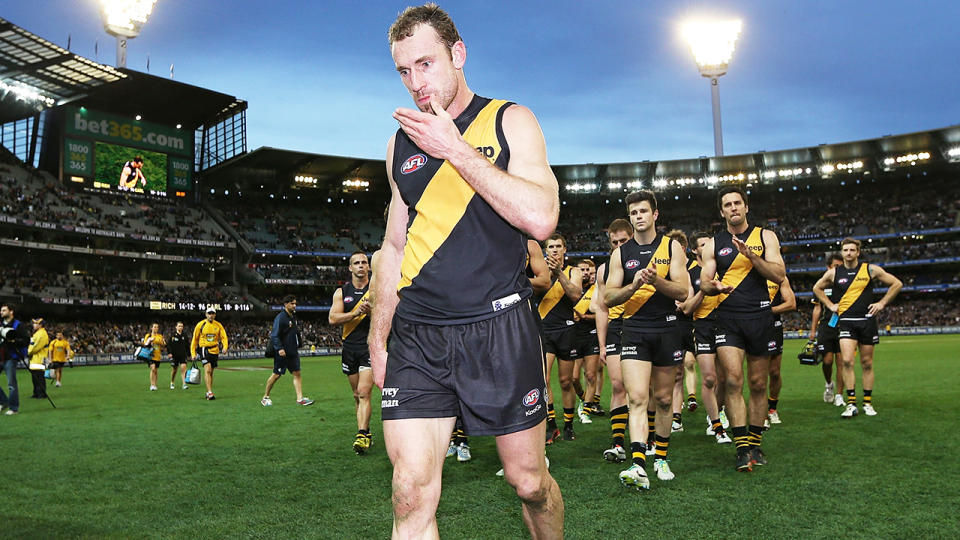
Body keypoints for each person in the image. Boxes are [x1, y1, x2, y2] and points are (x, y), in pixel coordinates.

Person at [369, 5, 563, 537]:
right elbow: (392, 244)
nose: (416, 83)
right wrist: (378, 338)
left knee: (529, 483)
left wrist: (455, 149)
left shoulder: (509, 120)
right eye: (404, 71)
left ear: (458, 54)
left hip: (499, 327)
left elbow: (541, 219)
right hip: (420, 333)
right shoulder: (399, 144)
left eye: (426, 65)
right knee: (410, 491)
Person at [604, 190, 690, 489]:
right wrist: (634, 285)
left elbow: (683, 292)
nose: (638, 216)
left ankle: (661, 457)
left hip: (667, 329)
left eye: (643, 211)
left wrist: (657, 281)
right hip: (634, 330)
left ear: (655, 215)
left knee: (664, 400)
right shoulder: (620, 254)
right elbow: (608, 296)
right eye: (633, 213)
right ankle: (638, 463)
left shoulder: (672, 248)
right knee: (637, 398)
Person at [699, 186, 785, 472]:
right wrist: (714, 286)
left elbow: (779, 274)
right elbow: (704, 282)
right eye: (727, 204)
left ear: (746, 207)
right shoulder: (714, 244)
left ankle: (756, 443)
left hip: (760, 317)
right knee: (733, 380)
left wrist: (752, 257)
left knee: (758, 383)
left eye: (738, 203)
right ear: (721, 211)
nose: (733, 208)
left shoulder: (765, 237)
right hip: (728, 319)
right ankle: (741, 448)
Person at [813, 237, 902, 418]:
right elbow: (817, 288)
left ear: (858, 252)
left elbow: (897, 284)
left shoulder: (869, 269)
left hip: (867, 321)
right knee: (846, 361)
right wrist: (830, 305)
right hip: (846, 322)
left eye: (852, 250)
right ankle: (851, 403)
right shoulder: (834, 273)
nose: (849, 253)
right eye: (846, 250)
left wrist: (882, 303)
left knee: (867, 363)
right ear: (842, 252)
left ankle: (867, 403)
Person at [681, 231, 731, 444]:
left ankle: (719, 412)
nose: (708, 247)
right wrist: (704, 289)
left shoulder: (725, 268)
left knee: (726, 378)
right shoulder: (689, 273)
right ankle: (716, 425)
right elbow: (686, 308)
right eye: (703, 244)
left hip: (726, 324)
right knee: (709, 378)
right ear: (695, 250)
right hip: (702, 326)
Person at [593, 218, 632, 463]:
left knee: (644, 389)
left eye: (623, 241)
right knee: (618, 385)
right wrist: (602, 343)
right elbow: (601, 308)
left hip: (643, 324)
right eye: (614, 241)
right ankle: (618, 443)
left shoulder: (645, 261)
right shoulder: (603, 269)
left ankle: (648, 438)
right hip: (617, 328)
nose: (618, 245)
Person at [329, 252, 374, 454]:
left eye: (364, 262)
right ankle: (365, 431)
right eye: (357, 263)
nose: (361, 266)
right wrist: (355, 313)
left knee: (364, 392)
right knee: (356, 395)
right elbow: (333, 318)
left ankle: (362, 435)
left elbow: (388, 316)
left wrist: (371, 312)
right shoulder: (341, 292)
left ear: (369, 267)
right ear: (350, 268)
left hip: (369, 348)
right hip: (349, 349)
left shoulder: (376, 290)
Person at [539, 234, 583, 442]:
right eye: (551, 246)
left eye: (558, 246)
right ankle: (550, 425)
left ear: (565, 249)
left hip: (566, 331)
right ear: (545, 250)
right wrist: (548, 272)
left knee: (566, 381)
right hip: (544, 330)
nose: (555, 250)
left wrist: (559, 273)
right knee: (544, 378)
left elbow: (575, 295)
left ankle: (568, 424)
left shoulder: (573, 271)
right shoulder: (539, 272)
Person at [263, 295, 314, 408]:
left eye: (295, 303)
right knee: (276, 375)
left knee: (297, 373)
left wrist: (299, 343)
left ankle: (300, 399)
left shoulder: (292, 317)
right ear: (285, 304)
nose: (294, 305)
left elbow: (294, 332)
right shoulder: (281, 318)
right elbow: (274, 335)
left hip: (292, 352)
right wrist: (280, 348)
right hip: (282, 352)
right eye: (292, 303)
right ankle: (265, 397)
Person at [810, 253, 844, 405]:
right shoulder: (821, 284)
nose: (839, 269)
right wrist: (812, 331)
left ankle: (839, 395)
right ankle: (829, 384)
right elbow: (817, 308)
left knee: (842, 362)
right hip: (826, 326)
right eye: (836, 266)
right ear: (828, 267)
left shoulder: (847, 283)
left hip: (844, 325)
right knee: (828, 361)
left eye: (841, 266)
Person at [766, 276, 797, 425]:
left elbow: (791, 303)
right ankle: (759, 414)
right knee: (755, 375)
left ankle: (772, 408)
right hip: (749, 326)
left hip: (773, 327)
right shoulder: (744, 271)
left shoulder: (778, 276)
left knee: (774, 372)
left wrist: (767, 311)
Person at [573, 258, 601, 424]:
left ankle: (586, 410)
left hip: (592, 335)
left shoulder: (596, 290)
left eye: (588, 270)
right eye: (582, 270)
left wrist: (584, 316)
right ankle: (583, 399)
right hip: (574, 336)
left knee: (591, 375)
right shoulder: (571, 289)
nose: (585, 273)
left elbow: (603, 315)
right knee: (574, 378)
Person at [191, 308, 228, 401]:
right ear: (206, 314)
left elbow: (224, 337)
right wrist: (193, 352)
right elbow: (194, 339)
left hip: (215, 350)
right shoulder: (200, 325)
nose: (211, 315)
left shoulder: (218, 325)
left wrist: (225, 347)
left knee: (211, 372)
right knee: (207, 370)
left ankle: (208, 391)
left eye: (212, 313)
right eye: (209, 313)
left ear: (215, 315)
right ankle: (210, 392)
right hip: (204, 349)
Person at [0, 303, 29, 415]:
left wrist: (13, 341)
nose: (1, 312)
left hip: (11, 357)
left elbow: (26, 341)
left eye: (4, 310)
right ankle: (3, 401)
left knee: (11, 384)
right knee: (11, 384)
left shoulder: (18, 325)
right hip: (1, 356)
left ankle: (13, 408)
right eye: (1, 310)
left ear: (11, 311)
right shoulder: (1, 324)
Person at [28, 318, 50, 400]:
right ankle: (36, 393)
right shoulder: (37, 333)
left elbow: (36, 347)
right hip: (35, 359)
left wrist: (29, 352)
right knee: (35, 377)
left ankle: (42, 393)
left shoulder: (42, 334)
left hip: (40, 359)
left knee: (39, 377)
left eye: (35, 323)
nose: (33, 325)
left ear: (40, 325)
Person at [142, 322, 166, 391]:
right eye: (154, 327)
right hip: (150, 355)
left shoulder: (160, 336)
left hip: (157, 355)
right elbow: (145, 344)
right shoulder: (148, 335)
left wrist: (161, 342)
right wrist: (150, 341)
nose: (156, 328)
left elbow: (164, 344)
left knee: (155, 370)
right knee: (153, 368)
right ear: (151, 328)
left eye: (157, 327)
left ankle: (155, 384)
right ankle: (152, 385)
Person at [167, 322, 189, 389]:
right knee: (174, 370)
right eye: (179, 326)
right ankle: (172, 382)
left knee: (183, 369)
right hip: (175, 356)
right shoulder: (173, 336)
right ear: (176, 327)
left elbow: (187, 346)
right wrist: (169, 353)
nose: (180, 327)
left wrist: (189, 354)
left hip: (183, 355)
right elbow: (169, 345)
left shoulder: (185, 335)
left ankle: (184, 384)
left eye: (182, 326)